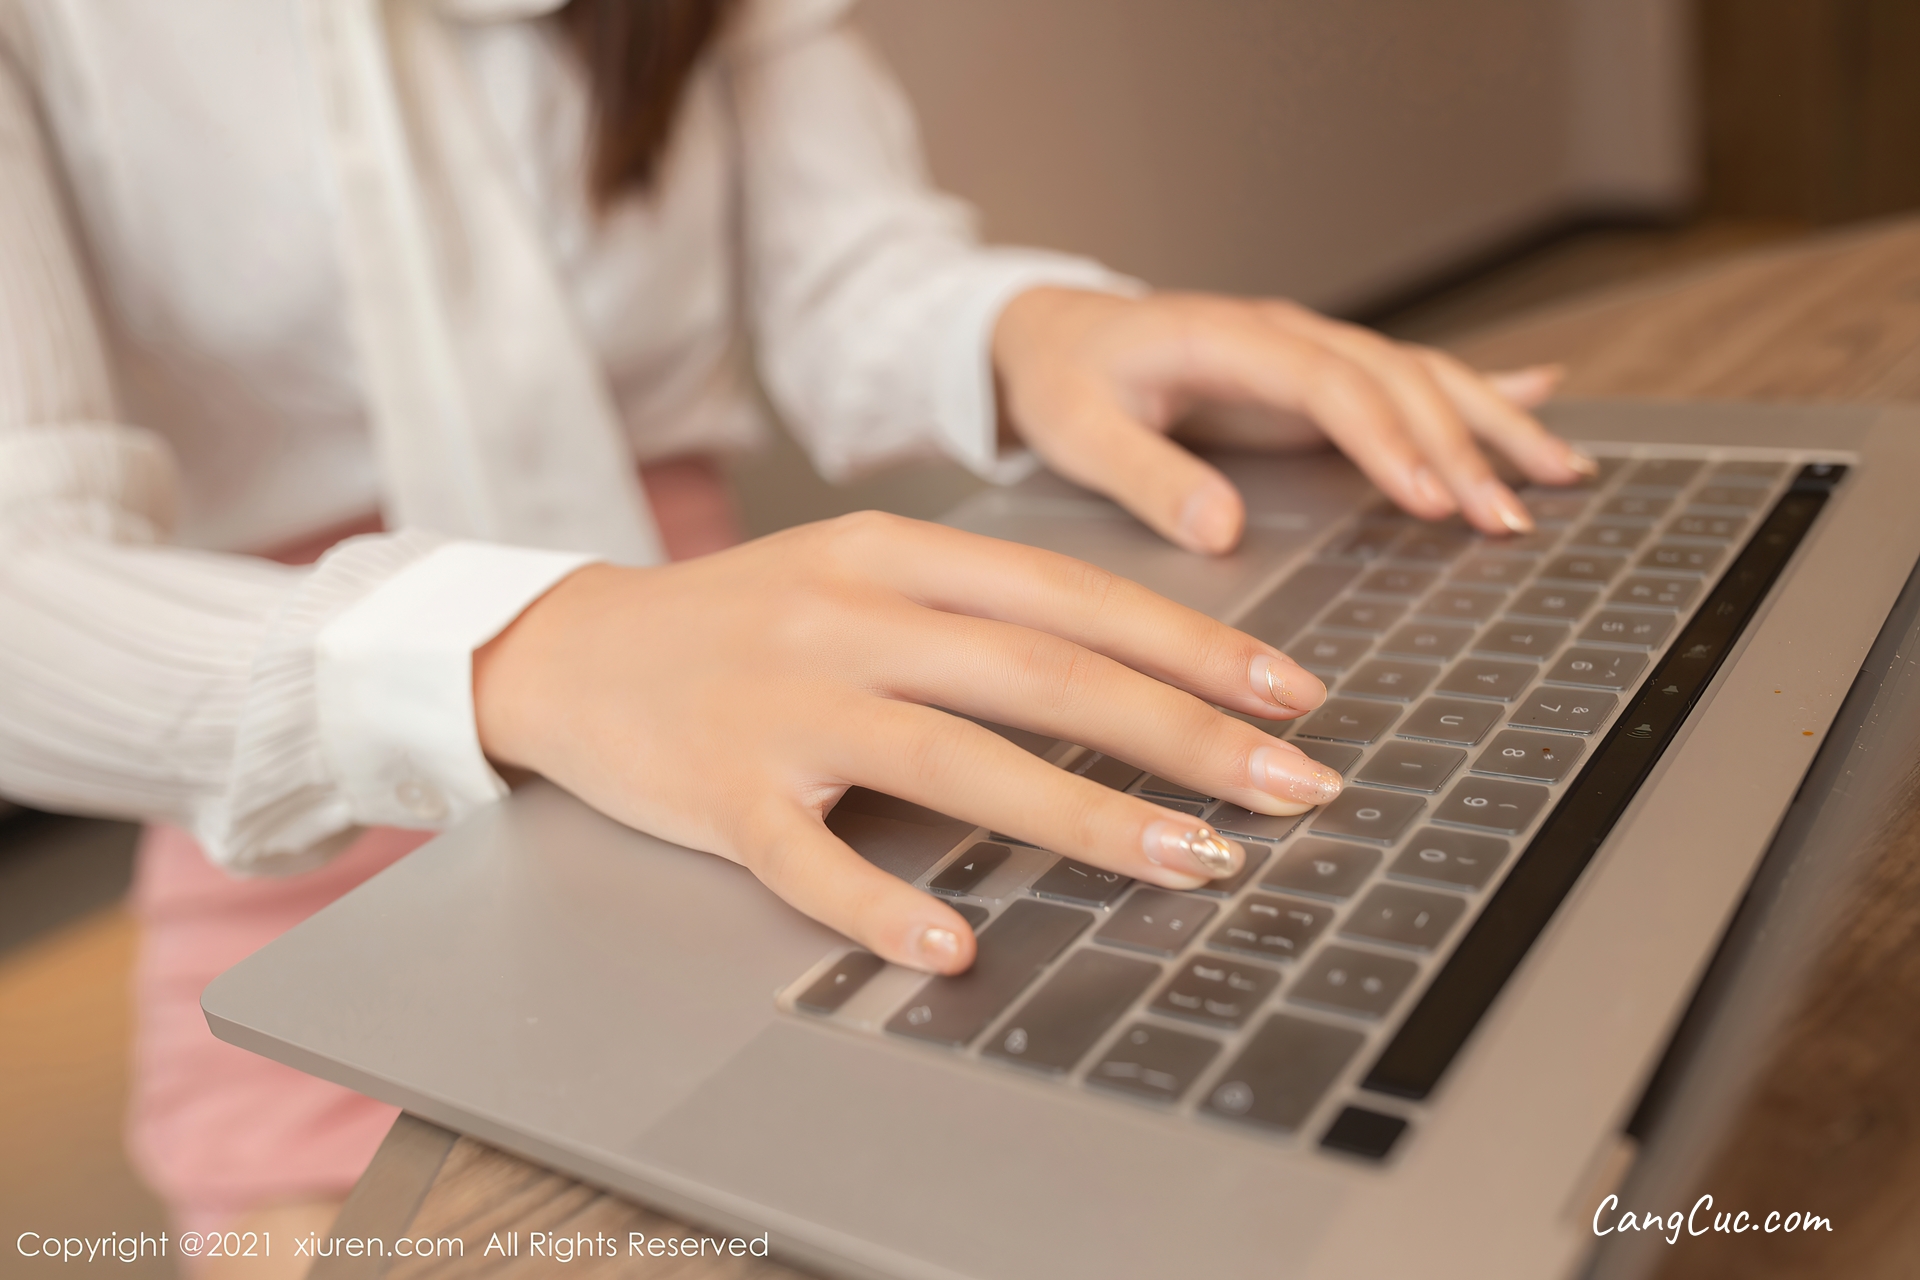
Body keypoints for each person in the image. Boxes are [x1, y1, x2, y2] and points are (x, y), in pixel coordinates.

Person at [0, 0, 1585, 1258]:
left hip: (768, 697)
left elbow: (847, 272)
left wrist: (1033, 330)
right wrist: (530, 650)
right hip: (298, 750)